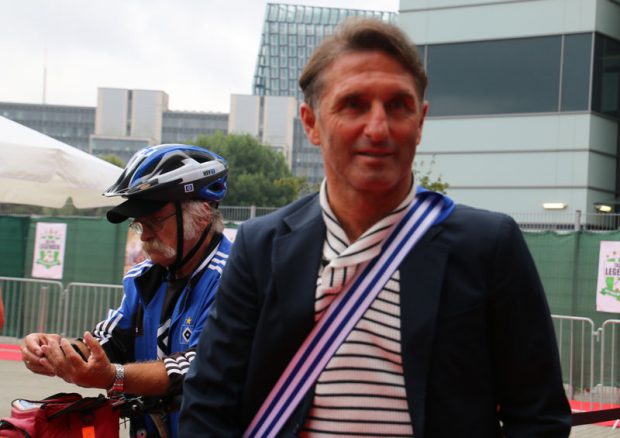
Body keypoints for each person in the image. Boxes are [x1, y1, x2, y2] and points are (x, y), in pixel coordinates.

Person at [180, 18, 572, 437]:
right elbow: (208, 406)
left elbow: (538, 416)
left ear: (420, 122)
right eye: (353, 104)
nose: (379, 128)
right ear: (311, 122)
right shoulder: (262, 247)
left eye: (398, 105)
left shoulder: (489, 246)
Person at [21, 144, 232, 438]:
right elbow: (109, 341)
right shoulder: (142, 278)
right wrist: (57, 352)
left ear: (203, 212)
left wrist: (114, 376)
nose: (144, 235)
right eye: (139, 223)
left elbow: (201, 365)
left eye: (155, 220)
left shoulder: (233, 277)